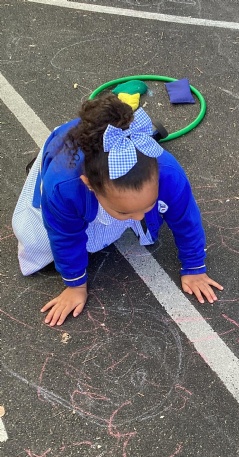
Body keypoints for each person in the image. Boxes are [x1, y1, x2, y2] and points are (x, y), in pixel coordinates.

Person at [12, 94, 223, 327]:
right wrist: (75, 286)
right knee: (41, 244)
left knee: (136, 219)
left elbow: (186, 219)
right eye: (125, 212)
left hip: (102, 176)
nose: (139, 216)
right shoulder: (63, 188)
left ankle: (129, 204)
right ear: (90, 186)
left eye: (148, 204)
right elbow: (64, 237)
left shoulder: (169, 173)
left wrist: (194, 266)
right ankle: (42, 163)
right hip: (64, 157)